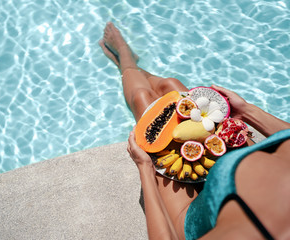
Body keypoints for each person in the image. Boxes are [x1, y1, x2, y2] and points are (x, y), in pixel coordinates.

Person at [99, 22, 290, 240]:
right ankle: (131, 63)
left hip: (198, 216)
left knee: (142, 99)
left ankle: (125, 60)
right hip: (236, 156)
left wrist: (144, 168)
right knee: (172, 85)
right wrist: (246, 111)